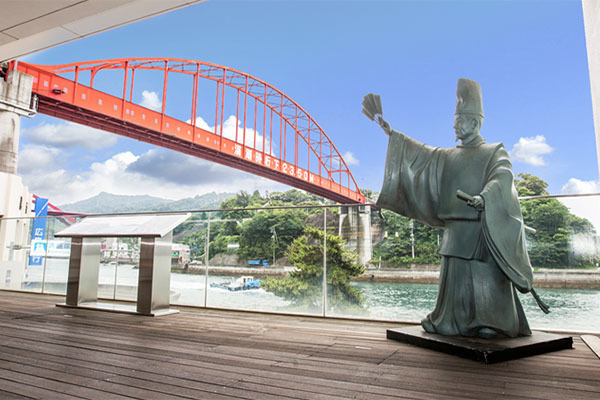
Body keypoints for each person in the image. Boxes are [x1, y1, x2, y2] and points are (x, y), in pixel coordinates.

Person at [370, 78, 547, 339]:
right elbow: (420, 156)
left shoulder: (494, 151)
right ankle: (451, 321)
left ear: (474, 123)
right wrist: (392, 135)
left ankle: (493, 323)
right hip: (454, 232)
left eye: (460, 120)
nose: (454, 125)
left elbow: (501, 178)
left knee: (485, 279)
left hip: (482, 231)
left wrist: (485, 197)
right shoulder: (446, 156)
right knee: (456, 287)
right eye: (455, 120)